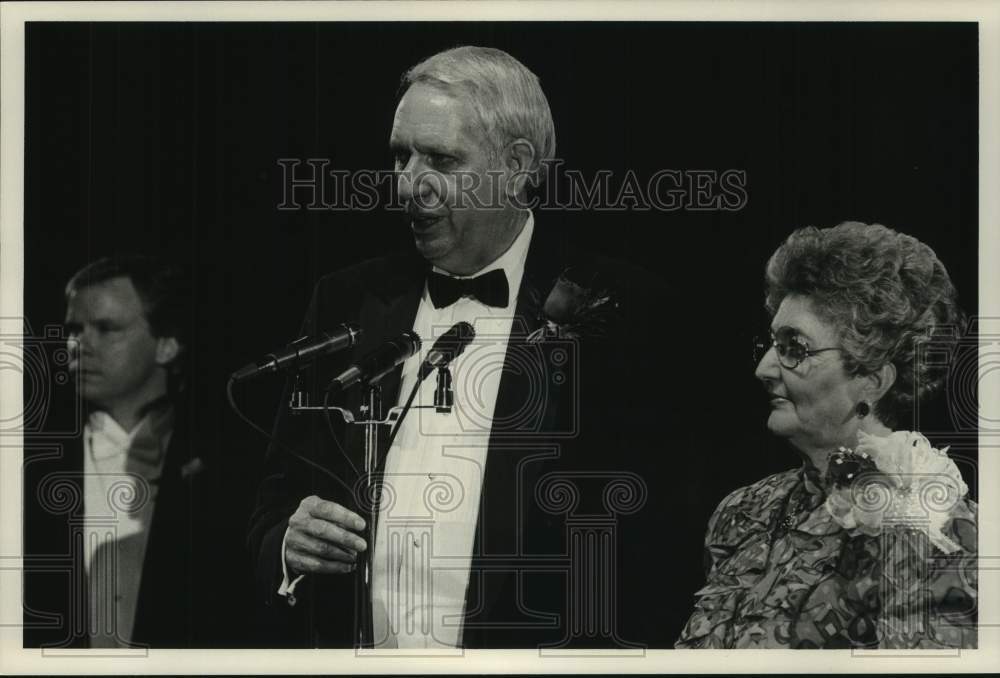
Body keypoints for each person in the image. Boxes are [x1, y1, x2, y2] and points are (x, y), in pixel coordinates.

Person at [248, 45, 696, 649]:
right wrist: (286, 543)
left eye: (440, 159)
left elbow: (658, 541)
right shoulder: (347, 300)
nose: (408, 185)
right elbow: (274, 499)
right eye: (400, 156)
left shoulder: (625, 309)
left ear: (517, 167)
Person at [676, 222, 977, 649]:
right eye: (773, 343)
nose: (763, 369)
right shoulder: (742, 511)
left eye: (794, 348)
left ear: (872, 379)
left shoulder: (936, 528)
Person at [22, 254, 243, 648]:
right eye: (74, 328)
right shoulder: (30, 465)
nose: (77, 345)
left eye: (106, 328)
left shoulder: (223, 466)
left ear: (167, 345)